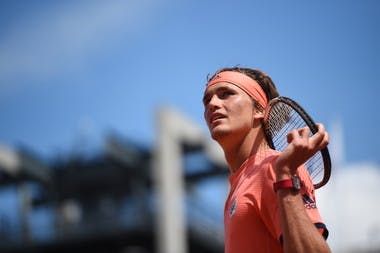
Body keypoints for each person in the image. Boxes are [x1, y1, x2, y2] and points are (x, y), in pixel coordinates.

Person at [202, 67, 331, 253]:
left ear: (259, 110)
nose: (212, 103)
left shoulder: (274, 166)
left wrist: (285, 173)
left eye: (226, 94)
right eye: (207, 99)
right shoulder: (238, 186)